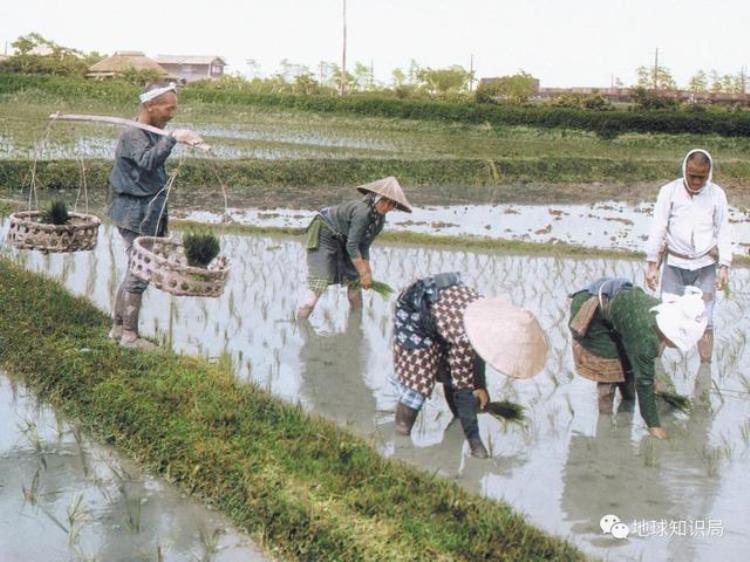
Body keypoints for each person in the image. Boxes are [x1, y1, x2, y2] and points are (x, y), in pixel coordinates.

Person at [390, 273, 547, 458]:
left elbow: (479, 354)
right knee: (419, 382)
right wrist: (476, 444)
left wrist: (481, 387)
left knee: (452, 371)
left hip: (444, 314)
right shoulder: (465, 335)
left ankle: (458, 419)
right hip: (415, 310)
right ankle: (401, 436)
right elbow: (463, 390)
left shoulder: (487, 322)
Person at [108, 81, 204, 350]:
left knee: (134, 269)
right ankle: (129, 335)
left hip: (149, 211)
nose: (172, 113)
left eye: (174, 108)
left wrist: (172, 137)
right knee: (140, 271)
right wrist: (172, 138)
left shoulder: (150, 132)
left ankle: (118, 327)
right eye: (168, 108)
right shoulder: (133, 134)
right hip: (134, 212)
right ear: (150, 106)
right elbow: (149, 161)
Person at [568, 277, 707, 439]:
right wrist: (654, 425)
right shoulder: (645, 338)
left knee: (628, 367)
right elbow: (644, 382)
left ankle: (627, 404)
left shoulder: (659, 311)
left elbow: (645, 360)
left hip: (614, 305)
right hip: (591, 313)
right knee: (609, 369)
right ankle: (604, 423)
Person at [645, 148, 733, 363]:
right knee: (666, 316)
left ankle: (706, 367)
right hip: (675, 263)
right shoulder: (669, 191)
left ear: (709, 174)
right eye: (691, 175)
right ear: (684, 169)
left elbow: (723, 230)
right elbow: (658, 227)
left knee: (706, 320)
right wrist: (652, 265)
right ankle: (653, 366)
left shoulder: (716, 194)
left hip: (705, 265)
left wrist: (724, 266)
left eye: (701, 177)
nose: (695, 181)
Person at [297, 176, 412, 320]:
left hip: (344, 237)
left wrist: (367, 272)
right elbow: (352, 245)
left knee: (354, 280)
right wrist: (364, 273)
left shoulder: (379, 220)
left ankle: (356, 326)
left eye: (391, 204)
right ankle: (300, 322)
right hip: (325, 233)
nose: (386, 207)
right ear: (375, 198)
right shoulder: (362, 213)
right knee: (319, 282)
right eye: (384, 201)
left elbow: (364, 245)